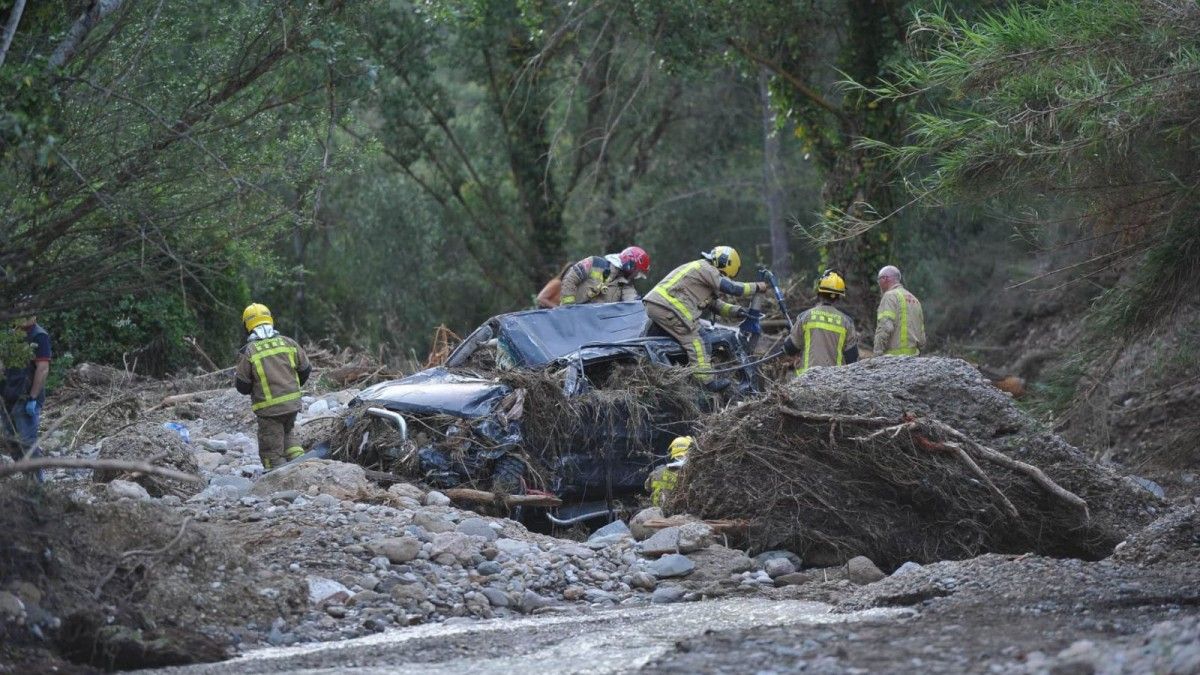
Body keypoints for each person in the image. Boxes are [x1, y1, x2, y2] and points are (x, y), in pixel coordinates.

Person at [643, 245, 768, 391]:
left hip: (658, 305)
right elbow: (733, 288)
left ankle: (682, 373)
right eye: (724, 275)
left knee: (694, 337)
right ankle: (706, 383)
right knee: (697, 341)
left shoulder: (702, 272)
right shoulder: (706, 268)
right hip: (669, 307)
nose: (724, 278)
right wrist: (757, 286)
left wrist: (738, 311)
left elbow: (715, 305)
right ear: (725, 264)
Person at [234, 303, 312, 471]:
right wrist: (292, 388)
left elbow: (242, 386)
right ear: (270, 320)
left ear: (247, 326)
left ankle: (276, 477)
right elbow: (306, 369)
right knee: (288, 434)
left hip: (268, 411)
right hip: (292, 405)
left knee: (271, 449)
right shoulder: (288, 343)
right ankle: (302, 467)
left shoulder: (249, 351)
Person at [2, 309, 51, 476]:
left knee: (27, 442)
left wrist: (33, 397)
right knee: (11, 440)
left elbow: (42, 369)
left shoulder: (39, 336)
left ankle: (38, 486)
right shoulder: (11, 335)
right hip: (7, 395)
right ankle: (27, 477)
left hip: (26, 397)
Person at [782, 270, 859, 375]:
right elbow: (852, 359)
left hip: (807, 378)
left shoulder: (805, 317)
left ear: (819, 292)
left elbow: (790, 348)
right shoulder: (847, 322)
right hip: (835, 380)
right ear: (839, 296)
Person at [559, 246, 651, 306]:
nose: (635, 276)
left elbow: (632, 301)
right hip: (570, 318)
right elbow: (569, 280)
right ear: (630, 265)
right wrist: (569, 307)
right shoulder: (593, 263)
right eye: (637, 272)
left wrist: (645, 302)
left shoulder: (625, 285)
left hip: (594, 326)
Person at [874, 265, 926, 357]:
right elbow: (922, 336)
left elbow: (885, 327)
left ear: (885, 279)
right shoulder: (915, 300)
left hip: (894, 359)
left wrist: (877, 353)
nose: (879, 284)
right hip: (914, 358)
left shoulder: (889, 296)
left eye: (879, 280)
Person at [646, 435, 693, 508]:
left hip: (655, 512)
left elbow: (647, 487)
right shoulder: (688, 474)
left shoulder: (657, 472)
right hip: (676, 514)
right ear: (689, 451)